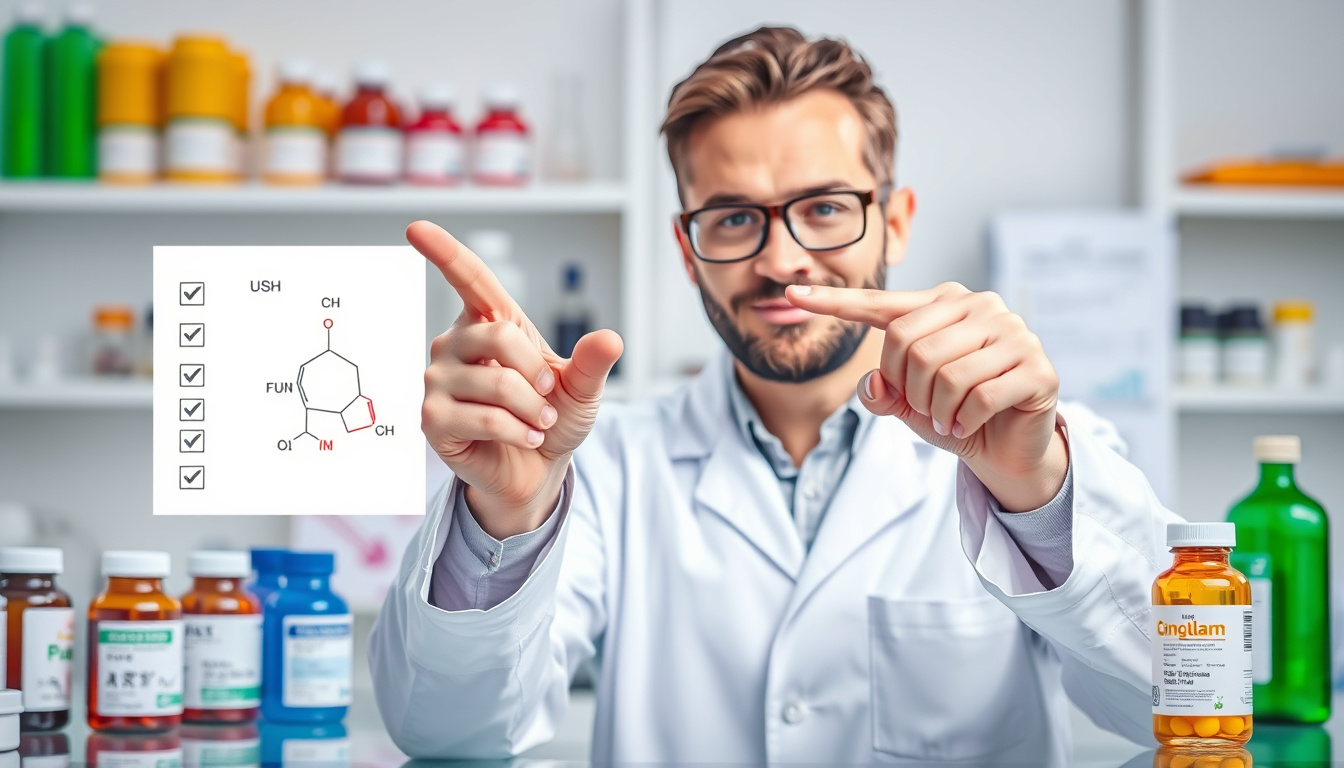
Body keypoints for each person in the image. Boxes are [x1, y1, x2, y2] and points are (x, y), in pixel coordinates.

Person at [370, 27, 1176, 764]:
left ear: (894, 223)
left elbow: (1195, 706)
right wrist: (503, 518)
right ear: (688, 251)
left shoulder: (1042, 456)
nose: (781, 258)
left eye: (825, 208)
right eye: (732, 219)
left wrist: (1034, 494)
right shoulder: (606, 466)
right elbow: (451, 733)